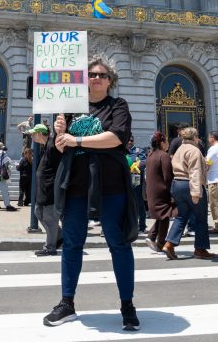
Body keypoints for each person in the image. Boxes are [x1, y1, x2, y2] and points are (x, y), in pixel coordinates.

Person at [43, 55, 139, 331]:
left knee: (118, 244)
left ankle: (127, 305)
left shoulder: (118, 106)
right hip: (75, 185)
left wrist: (78, 139)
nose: (96, 78)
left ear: (110, 81)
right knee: (72, 243)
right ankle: (66, 303)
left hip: (110, 185)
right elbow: (56, 150)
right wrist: (59, 135)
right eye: (92, 75)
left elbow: (117, 137)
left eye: (101, 75)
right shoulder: (70, 109)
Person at [161, 127, 214, 261]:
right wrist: (196, 192)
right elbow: (195, 171)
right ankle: (200, 249)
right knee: (201, 218)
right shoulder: (194, 150)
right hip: (190, 184)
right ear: (195, 137)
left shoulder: (179, 149)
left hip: (177, 184)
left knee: (182, 216)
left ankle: (169, 244)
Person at [31, 123, 63, 256]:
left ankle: (50, 248)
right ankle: (60, 236)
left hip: (50, 188)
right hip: (43, 188)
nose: (32, 136)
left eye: (34, 133)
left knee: (50, 219)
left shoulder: (51, 145)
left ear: (39, 133)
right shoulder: (46, 146)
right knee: (38, 212)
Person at [144, 131, 175, 252]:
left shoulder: (150, 155)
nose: (168, 144)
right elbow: (168, 176)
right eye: (166, 141)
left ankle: (152, 236)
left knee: (162, 216)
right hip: (162, 190)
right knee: (165, 216)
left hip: (152, 190)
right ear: (162, 143)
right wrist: (171, 191)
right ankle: (160, 243)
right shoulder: (164, 155)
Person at [0, 142, 16, 211]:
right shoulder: (3, 153)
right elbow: (7, 162)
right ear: (1, 147)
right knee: (4, 189)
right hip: (0, 174)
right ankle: (7, 205)